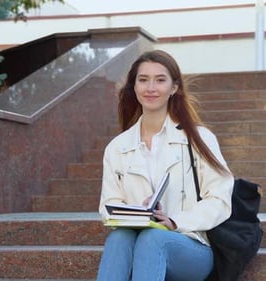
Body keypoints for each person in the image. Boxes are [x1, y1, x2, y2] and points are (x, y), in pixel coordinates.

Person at [96, 50, 234, 281]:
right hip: (137, 238)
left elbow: (219, 199)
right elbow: (108, 205)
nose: (151, 88)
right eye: (143, 80)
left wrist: (174, 221)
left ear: (174, 88)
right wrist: (137, 215)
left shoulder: (198, 139)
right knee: (119, 237)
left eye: (160, 80)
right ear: (134, 87)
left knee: (153, 239)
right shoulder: (117, 148)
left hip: (191, 247)